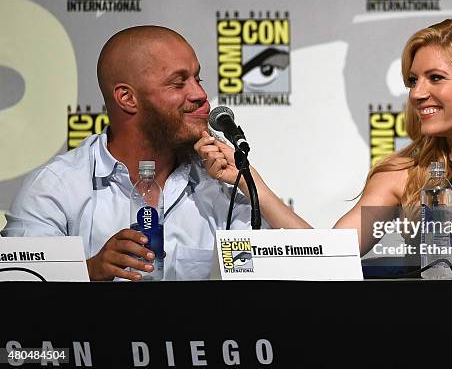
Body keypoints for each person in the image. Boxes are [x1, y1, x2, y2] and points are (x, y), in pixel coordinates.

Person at [201, 18, 452, 269]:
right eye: (413, 80)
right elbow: (327, 256)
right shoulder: (403, 175)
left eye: (435, 78)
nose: (416, 93)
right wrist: (256, 184)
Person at [1, 25, 306, 281]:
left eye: (198, 79)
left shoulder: (219, 188)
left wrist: (254, 186)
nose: (200, 95)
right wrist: (90, 271)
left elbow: (311, 265)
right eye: (178, 82)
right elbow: (17, 285)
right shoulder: (57, 185)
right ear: (127, 98)